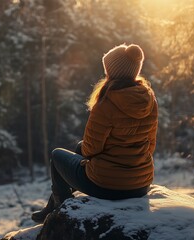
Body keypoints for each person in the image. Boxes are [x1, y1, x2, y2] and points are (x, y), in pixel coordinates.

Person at [31, 43, 158, 223]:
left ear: (113, 72)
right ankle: (53, 204)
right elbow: (150, 145)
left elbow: (91, 149)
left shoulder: (107, 102)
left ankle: (59, 210)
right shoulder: (150, 98)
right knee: (78, 147)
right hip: (141, 185)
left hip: (107, 186)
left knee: (57, 156)